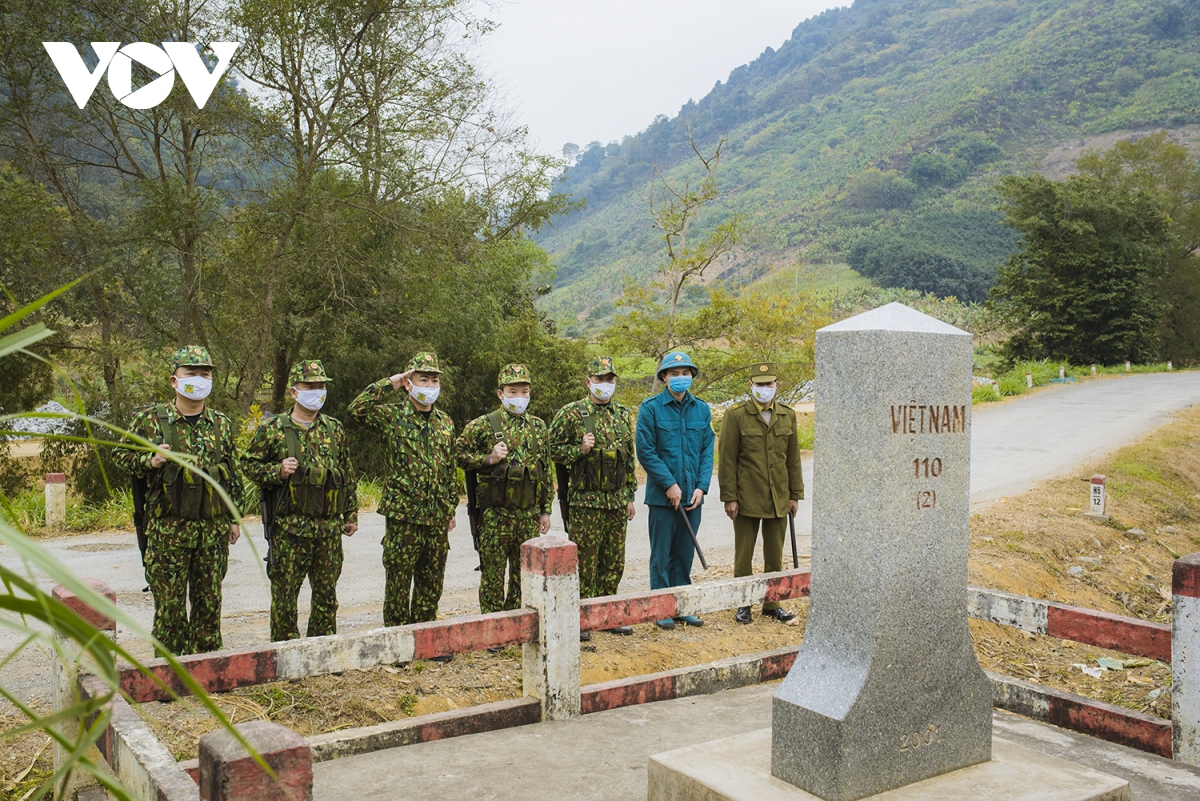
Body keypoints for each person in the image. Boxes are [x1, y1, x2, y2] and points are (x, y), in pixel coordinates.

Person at [113, 345, 242, 655]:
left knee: (208, 606)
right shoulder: (152, 420)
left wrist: (235, 518)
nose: (199, 379)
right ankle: (170, 677)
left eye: (205, 374)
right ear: (174, 381)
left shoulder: (221, 423)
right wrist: (150, 460)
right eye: (191, 373)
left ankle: (208, 673)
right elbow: (119, 454)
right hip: (167, 533)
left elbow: (231, 473)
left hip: (211, 532)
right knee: (170, 611)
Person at [244, 359, 358, 641]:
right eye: (310, 386)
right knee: (284, 598)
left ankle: (322, 650)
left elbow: (346, 473)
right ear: (294, 392)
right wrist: (277, 471)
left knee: (326, 596)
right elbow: (248, 465)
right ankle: (285, 654)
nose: (317, 391)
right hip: (290, 530)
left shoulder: (334, 428)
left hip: (328, 530)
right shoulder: (273, 428)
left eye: (321, 386)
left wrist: (351, 513)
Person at [348, 352, 459, 637]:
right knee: (398, 581)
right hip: (404, 517)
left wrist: (449, 509)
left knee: (431, 582)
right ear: (410, 383)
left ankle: (424, 640)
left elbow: (448, 468)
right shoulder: (392, 417)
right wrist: (392, 382)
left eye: (435, 379)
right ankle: (396, 642)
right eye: (424, 379)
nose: (431, 384)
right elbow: (356, 410)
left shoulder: (445, 422)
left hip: (435, 518)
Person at [549, 356, 637, 640]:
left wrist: (629, 496)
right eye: (599, 379)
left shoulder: (623, 414)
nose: (605, 384)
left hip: (615, 502)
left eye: (610, 379)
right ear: (588, 382)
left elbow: (628, 459)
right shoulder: (571, 413)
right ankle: (582, 618)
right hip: (585, 503)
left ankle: (607, 615)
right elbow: (551, 450)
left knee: (613, 562)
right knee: (585, 562)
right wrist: (579, 450)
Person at [456, 363, 552, 614]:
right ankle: (493, 631)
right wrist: (487, 459)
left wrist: (545, 510)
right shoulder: (484, 425)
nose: (519, 397)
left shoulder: (539, 427)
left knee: (524, 578)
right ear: (500, 393)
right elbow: (457, 454)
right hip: (495, 516)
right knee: (493, 579)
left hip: (528, 515)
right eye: (512, 391)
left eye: (524, 391)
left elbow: (544, 471)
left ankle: (518, 627)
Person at [718, 362, 804, 624]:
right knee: (743, 555)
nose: (764, 389)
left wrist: (794, 495)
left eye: (769, 384)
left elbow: (793, 459)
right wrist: (729, 497)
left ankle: (772, 603)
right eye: (759, 384)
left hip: (778, 496)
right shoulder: (736, 416)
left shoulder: (786, 415)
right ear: (751, 385)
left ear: (776, 385)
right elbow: (727, 459)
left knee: (774, 556)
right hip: (746, 497)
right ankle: (743, 604)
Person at [635, 351, 714, 630]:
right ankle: (661, 608)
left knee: (683, 552)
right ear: (664, 377)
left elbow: (707, 449)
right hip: (662, 498)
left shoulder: (701, 409)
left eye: (685, 373)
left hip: (692, 496)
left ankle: (683, 606)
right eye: (674, 373)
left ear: (691, 376)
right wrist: (669, 484)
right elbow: (645, 451)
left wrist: (702, 488)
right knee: (661, 554)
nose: (680, 378)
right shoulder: (651, 408)